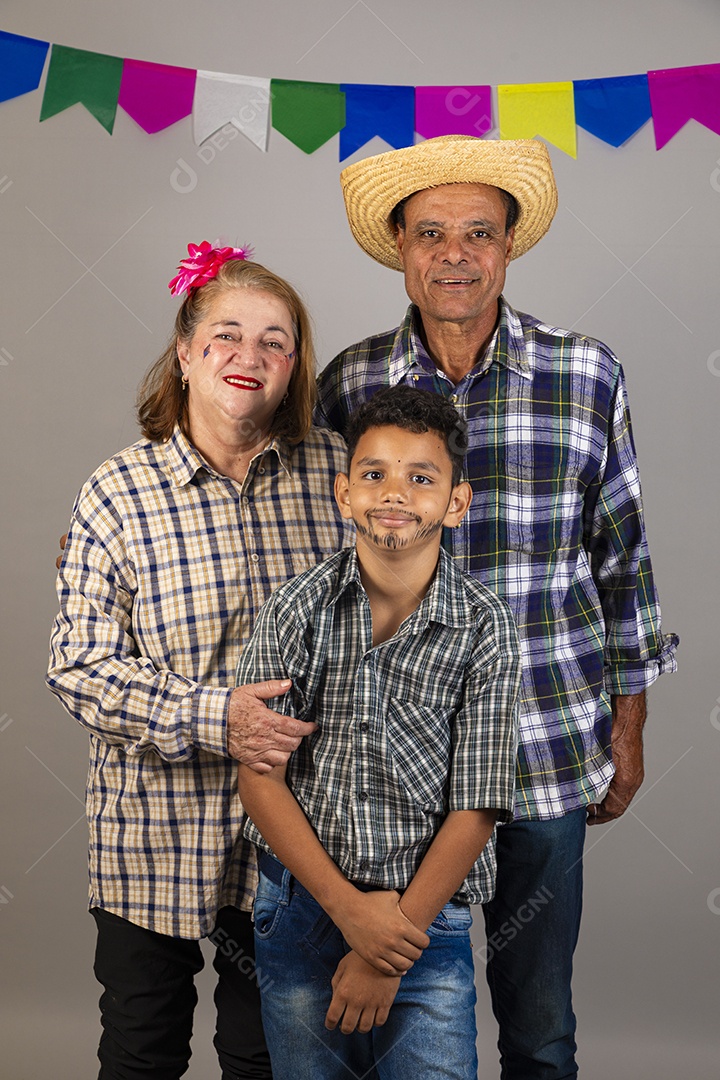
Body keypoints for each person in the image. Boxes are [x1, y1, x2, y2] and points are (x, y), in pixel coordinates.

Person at [314, 136, 679, 1079]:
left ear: (509, 247)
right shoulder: (351, 384)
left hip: (543, 745)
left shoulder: (585, 373)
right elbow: (313, 557)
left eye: (479, 232)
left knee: (540, 1020)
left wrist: (627, 726)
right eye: (431, 232)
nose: (456, 253)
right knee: (394, 1013)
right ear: (399, 247)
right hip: (396, 761)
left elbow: (622, 560)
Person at [47, 244, 354, 1080]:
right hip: (155, 837)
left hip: (296, 843)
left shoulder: (341, 475)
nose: (249, 357)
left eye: (275, 341)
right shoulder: (117, 491)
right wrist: (220, 716)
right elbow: (78, 665)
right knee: (141, 1055)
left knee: (275, 1060)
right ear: (184, 352)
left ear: (296, 366)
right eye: (226, 335)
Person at [235, 385, 522, 1079]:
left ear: (456, 502)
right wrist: (349, 914)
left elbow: (478, 804)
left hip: (426, 921)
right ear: (343, 493)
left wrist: (385, 945)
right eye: (374, 474)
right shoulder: (293, 611)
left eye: (421, 477)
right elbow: (259, 774)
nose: (395, 492)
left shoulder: (488, 628)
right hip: (302, 909)